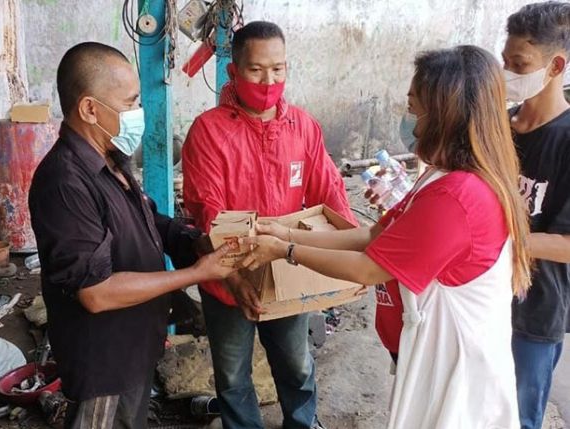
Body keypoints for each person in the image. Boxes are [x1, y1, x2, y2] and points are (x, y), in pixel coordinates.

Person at [241, 45, 532, 429]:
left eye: (415, 110)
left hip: (456, 368)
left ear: (444, 114)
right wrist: (287, 231)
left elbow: (368, 267)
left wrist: (285, 249)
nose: (409, 120)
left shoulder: (459, 196)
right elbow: (373, 236)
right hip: (426, 353)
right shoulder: (438, 176)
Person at [28, 42, 235, 429]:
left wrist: (197, 243)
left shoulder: (110, 159)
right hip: (104, 360)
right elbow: (96, 292)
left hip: (135, 345)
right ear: (90, 109)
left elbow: (149, 221)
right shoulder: (64, 182)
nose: (139, 113)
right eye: (131, 102)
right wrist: (196, 274)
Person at [182, 21, 357, 429]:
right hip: (226, 278)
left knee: (297, 365)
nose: (268, 80)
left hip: (286, 270)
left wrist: (352, 260)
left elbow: (330, 195)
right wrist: (234, 279)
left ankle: (303, 423)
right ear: (234, 71)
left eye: (278, 69)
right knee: (231, 376)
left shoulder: (303, 127)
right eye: (256, 69)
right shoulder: (209, 131)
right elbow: (208, 213)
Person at [503, 3, 570, 428]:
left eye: (519, 64)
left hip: (534, 312)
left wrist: (493, 240)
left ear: (555, 65)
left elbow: (566, 245)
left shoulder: (565, 142)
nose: (507, 72)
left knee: (516, 417)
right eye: (504, 61)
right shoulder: (499, 126)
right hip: (481, 298)